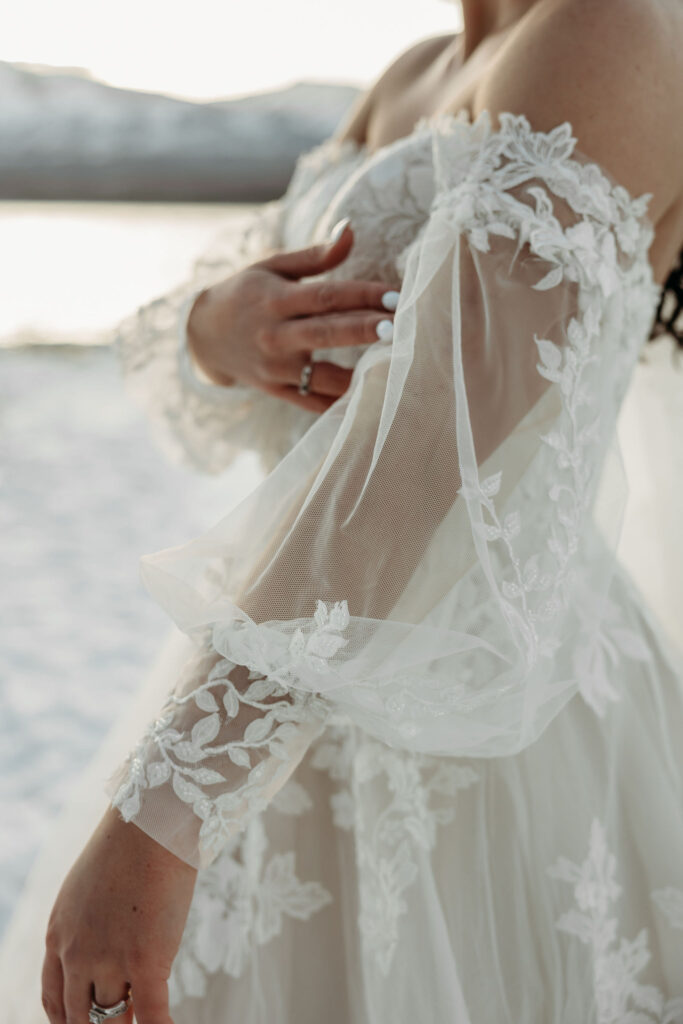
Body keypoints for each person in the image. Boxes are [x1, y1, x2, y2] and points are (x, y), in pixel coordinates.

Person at [2, 0, 683, 1020]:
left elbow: (420, 446)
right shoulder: (415, 70)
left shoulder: (610, 32)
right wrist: (218, 328)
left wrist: (172, 805)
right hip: (276, 665)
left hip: (483, 739)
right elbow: (235, 323)